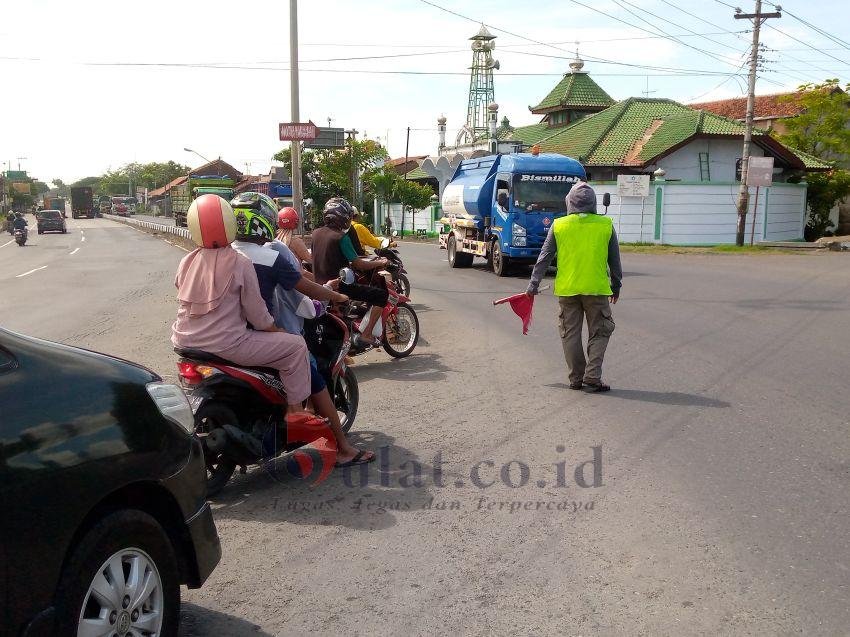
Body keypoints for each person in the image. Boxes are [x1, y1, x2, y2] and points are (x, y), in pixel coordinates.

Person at [229, 192, 374, 467]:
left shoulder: (224, 253)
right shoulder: (273, 254)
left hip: (222, 334)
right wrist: (336, 296)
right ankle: (340, 447)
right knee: (313, 375)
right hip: (265, 331)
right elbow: (301, 289)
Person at [171, 194, 320, 432]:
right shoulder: (240, 262)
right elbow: (258, 317)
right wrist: (277, 330)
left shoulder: (187, 261)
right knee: (296, 346)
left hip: (184, 342)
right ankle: (295, 411)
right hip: (226, 344)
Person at [526, 182, 622, 392]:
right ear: (594, 203)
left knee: (570, 333)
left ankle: (577, 378)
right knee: (601, 331)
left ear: (569, 202)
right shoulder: (605, 225)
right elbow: (615, 260)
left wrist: (533, 284)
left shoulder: (559, 225)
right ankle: (592, 376)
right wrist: (616, 286)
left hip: (567, 289)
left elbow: (544, 257)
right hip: (596, 289)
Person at [310, 197, 390, 345]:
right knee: (381, 295)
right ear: (343, 217)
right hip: (339, 286)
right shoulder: (341, 237)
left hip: (319, 285)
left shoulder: (315, 234)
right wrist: (381, 262)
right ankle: (367, 334)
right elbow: (358, 264)